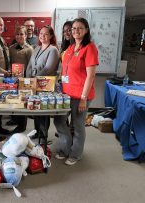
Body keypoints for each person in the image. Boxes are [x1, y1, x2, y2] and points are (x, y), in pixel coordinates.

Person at [54, 17, 99, 165]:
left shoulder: (89, 48)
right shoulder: (70, 48)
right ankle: (66, 148)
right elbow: (64, 71)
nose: (76, 31)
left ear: (86, 30)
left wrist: (83, 98)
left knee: (78, 126)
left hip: (80, 95)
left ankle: (75, 154)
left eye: (80, 28)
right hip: (66, 95)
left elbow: (91, 75)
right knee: (60, 121)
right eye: (74, 28)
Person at [25, 25, 60, 142]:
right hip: (34, 83)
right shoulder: (36, 48)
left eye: (45, 34)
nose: (42, 36)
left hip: (45, 84)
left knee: (43, 110)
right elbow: (30, 65)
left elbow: (48, 68)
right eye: (41, 33)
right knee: (36, 108)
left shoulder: (53, 50)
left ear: (50, 36)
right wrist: (28, 78)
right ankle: (37, 132)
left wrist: (35, 78)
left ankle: (43, 136)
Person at [8, 25, 33, 133]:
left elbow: (30, 66)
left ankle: (22, 125)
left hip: (24, 79)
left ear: (26, 35)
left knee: (22, 101)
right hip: (13, 79)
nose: (19, 36)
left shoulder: (29, 49)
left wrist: (26, 80)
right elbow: (9, 62)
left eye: (21, 34)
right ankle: (15, 119)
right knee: (14, 99)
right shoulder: (11, 48)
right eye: (17, 34)